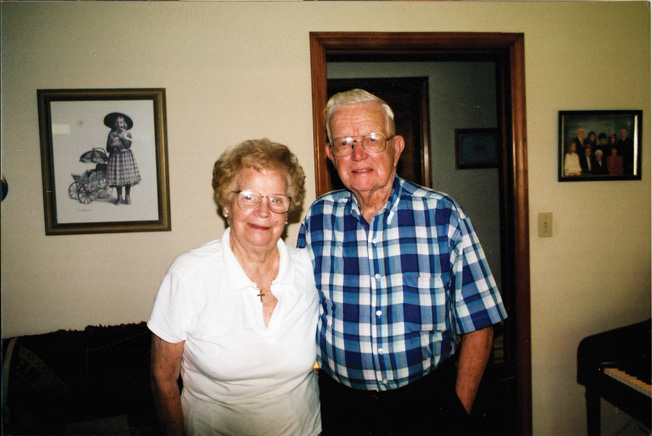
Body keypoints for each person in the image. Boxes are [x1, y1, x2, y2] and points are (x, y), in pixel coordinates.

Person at [297, 89, 507, 436]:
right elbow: (299, 313)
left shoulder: (443, 215)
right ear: (330, 155)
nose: (358, 153)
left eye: (372, 139)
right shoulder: (317, 218)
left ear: (396, 148)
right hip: (343, 408)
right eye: (344, 142)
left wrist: (457, 411)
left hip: (427, 402)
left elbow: (480, 322)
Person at [148, 139, 321, 436]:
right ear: (226, 204)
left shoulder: (310, 268)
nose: (263, 211)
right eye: (249, 197)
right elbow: (163, 377)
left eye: (276, 199)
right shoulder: (189, 275)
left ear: (288, 211)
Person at [104, 112, 141, 205]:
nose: (118, 125)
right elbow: (108, 148)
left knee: (127, 177)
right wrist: (112, 145)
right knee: (118, 178)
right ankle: (119, 197)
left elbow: (128, 145)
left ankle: (127, 196)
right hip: (115, 157)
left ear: (124, 123)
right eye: (116, 123)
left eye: (121, 122)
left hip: (126, 157)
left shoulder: (127, 133)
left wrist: (122, 138)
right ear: (113, 124)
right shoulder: (111, 134)